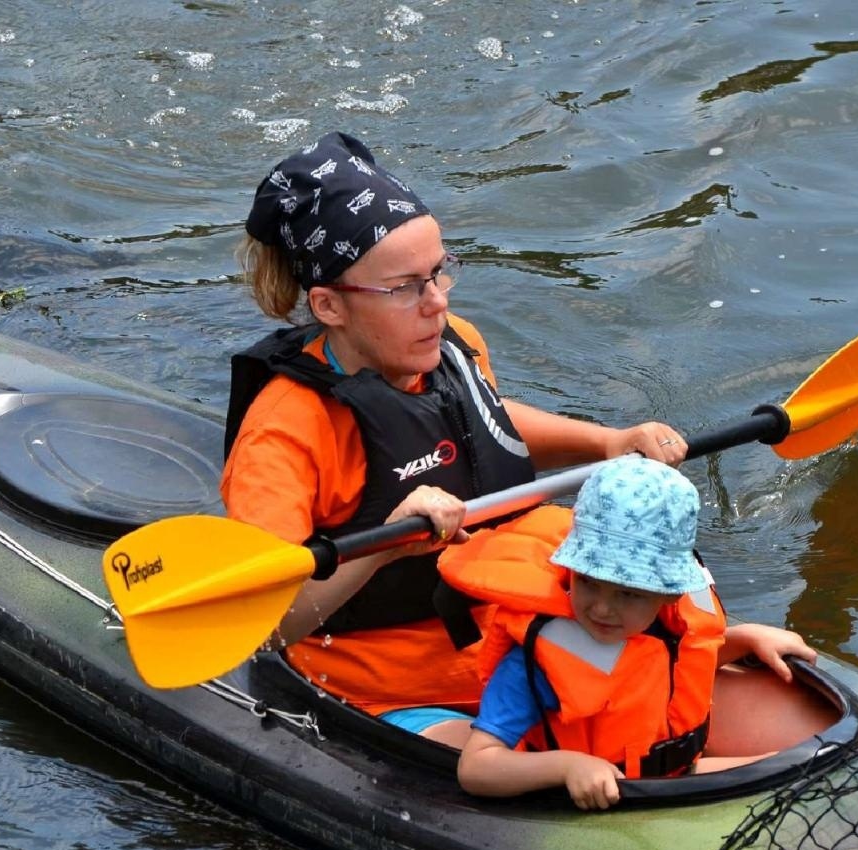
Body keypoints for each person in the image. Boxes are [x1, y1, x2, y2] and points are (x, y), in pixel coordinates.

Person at [221, 131, 688, 747]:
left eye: (439, 273)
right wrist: (384, 545)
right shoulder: (282, 433)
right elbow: (265, 629)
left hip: (515, 647)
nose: (436, 303)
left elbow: (485, 426)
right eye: (405, 287)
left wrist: (606, 442)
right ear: (329, 305)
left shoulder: (452, 343)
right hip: (390, 694)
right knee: (545, 761)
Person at [442, 457, 818, 809]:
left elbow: (661, 668)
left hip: (673, 775)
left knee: (803, 768)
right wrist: (568, 766)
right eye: (588, 582)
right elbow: (476, 768)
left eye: (628, 592)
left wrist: (744, 639)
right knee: (790, 782)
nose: (602, 608)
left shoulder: (672, 617)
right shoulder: (537, 663)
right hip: (600, 800)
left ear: (669, 592)